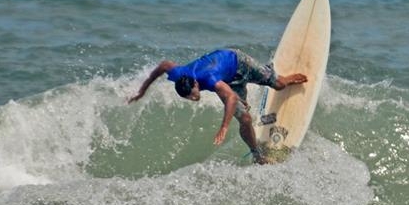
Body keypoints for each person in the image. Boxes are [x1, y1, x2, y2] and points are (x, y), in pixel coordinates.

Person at [128, 48, 307, 164]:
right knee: (245, 119)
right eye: (189, 98)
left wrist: (224, 126)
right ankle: (257, 155)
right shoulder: (179, 76)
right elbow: (164, 65)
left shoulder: (209, 79)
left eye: (193, 94)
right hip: (228, 80)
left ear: (196, 85)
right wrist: (143, 90)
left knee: (279, 84)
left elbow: (229, 97)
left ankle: (273, 73)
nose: (193, 99)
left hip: (238, 62)